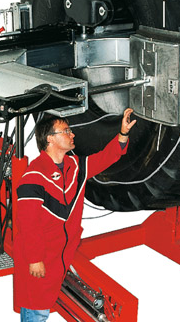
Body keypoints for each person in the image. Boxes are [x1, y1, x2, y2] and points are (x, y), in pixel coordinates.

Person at [13, 108, 137, 321]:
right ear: (50, 139)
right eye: (66, 131)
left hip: (62, 252)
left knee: (45, 302)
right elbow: (27, 223)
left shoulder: (75, 166)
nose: (72, 134)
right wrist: (35, 259)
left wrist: (123, 134)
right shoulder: (33, 177)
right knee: (36, 309)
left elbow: (106, 157)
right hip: (42, 255)